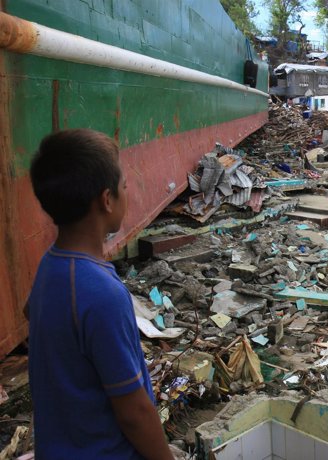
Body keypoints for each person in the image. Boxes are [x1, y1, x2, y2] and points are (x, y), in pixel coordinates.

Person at [27, 129, 173, 460]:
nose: (127, 192)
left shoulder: (51, 266)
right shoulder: (103, 294)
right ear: (107, 200)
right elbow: (134, 413)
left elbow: (35, 314)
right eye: (124, 187)